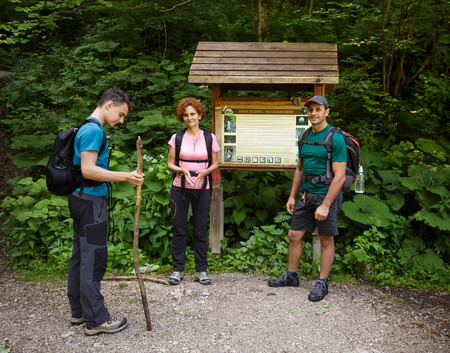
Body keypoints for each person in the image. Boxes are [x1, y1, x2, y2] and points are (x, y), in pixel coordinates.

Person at [67, 88, 144, 336]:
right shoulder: (93, 130)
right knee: (93, 258)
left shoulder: (86, 128)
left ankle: (79, 311)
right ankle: (97, 319)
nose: (121, 121)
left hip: (81, 199)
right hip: (90, 203)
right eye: (120, 114)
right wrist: (125, 176)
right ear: (109, 104)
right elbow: (88, 170)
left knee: (80, 255)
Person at [268, 95, 347, 302]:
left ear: (326, 112)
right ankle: (291, 275)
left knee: (326, 239)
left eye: (318, 109)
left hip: (326, 194)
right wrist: (292, 196)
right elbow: (299, 169)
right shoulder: (304, 136)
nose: (313, 113)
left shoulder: (335, 138)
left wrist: (326, 204)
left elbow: (339, 176)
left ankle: (322, 281)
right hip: (305, 193)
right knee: (294, 235)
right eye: (310, 109)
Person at [166, 97, 220, 285]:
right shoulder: (177, 138)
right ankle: (178, 270)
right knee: (179, 229)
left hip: (202, 187)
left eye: (193, 114)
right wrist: (181, 170)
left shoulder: (209, 138)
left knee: (200, 229)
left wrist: (206, 171)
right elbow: (169, 163)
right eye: (186, 115)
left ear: (199, 115)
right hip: (180, 187)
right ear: (182, 117)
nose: (190, 118)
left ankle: (201, 270)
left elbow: (215, 163)